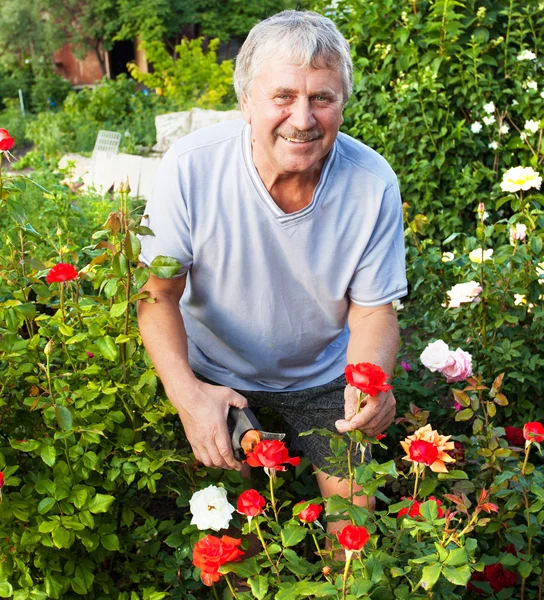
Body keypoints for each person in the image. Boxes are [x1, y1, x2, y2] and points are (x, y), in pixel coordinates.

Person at [137, 10, 407, 535]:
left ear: (342, 104)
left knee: (356, 520)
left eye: (322, 98)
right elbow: (156, 295)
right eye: (283, 96)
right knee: (228, 521)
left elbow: (374, 311)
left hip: (324, 377)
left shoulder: (372, 184)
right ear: (245, 102)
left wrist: (370, 383)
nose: (303, 118)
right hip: (217, 371)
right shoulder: (190, 167)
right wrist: (187, 394)